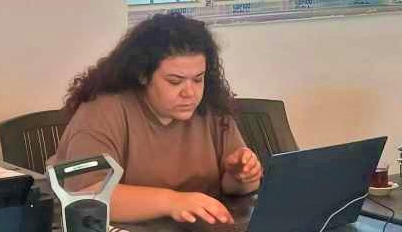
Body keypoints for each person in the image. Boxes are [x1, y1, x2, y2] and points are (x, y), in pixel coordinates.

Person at [51, 13, 263, 225]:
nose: (190, 93)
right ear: (143, 75)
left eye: (198, 79)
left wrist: (242, 177)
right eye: (175, 81)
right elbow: (88, 198)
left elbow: (236, 189)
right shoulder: (102, 111)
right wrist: (172, 202)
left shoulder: (211, 107)